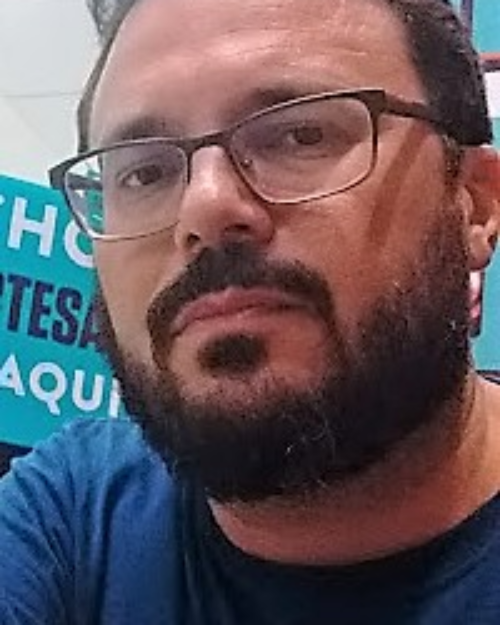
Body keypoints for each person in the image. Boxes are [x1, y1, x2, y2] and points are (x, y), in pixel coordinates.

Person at [1, 0, 500, 622]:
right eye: (144, 173)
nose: (204, 208)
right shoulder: (73, 518)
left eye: (302, 135)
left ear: (475, 202)